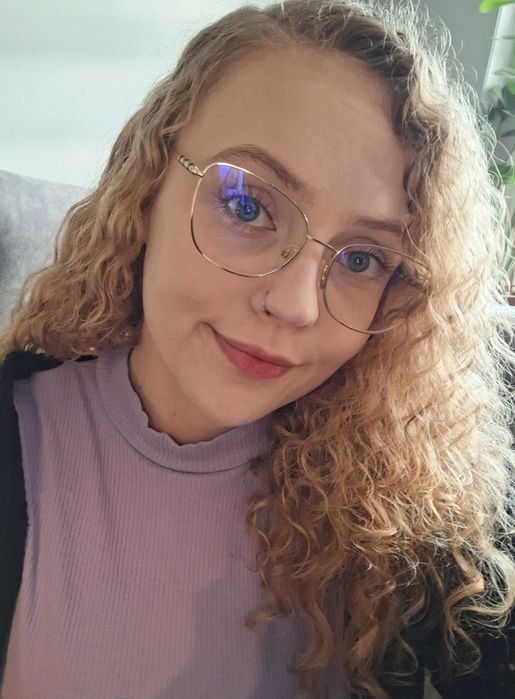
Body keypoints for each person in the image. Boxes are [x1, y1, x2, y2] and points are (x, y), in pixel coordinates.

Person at [0, 0, 513, 697]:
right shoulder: (24, 438)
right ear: (148, 185)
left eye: (361, 259)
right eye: (246, 205)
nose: (296, 304)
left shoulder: (404, 508)